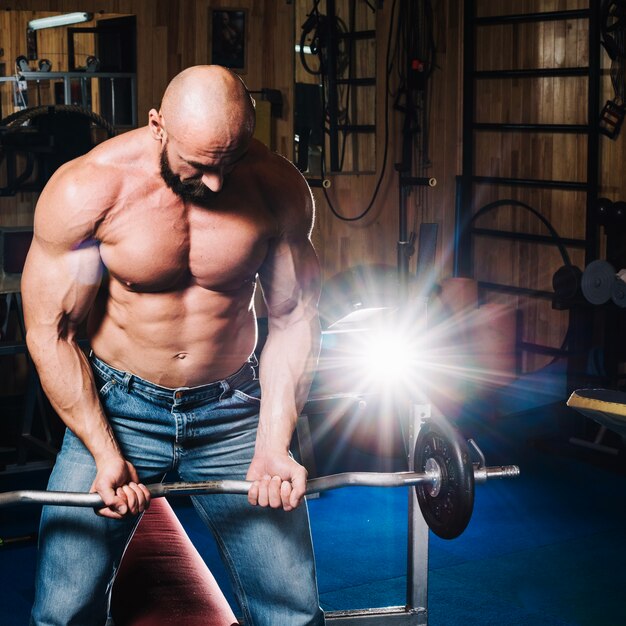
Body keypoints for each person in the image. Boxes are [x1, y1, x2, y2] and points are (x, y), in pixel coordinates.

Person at [21, 65, 325, 626]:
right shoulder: (90, 189)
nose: (214, 183)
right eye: (198, 164)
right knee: (62, 614)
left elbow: (293, 319)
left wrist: (275, 443)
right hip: (117, 411)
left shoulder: (276, 189)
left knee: (294, 614)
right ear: (158, 126)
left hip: (233, 415)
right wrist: (105, 449)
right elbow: (51, 331)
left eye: (228, 163)